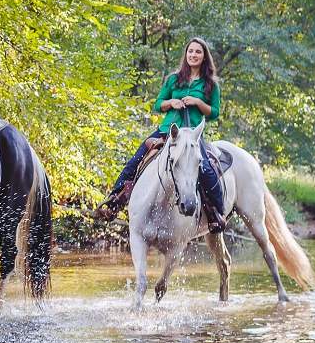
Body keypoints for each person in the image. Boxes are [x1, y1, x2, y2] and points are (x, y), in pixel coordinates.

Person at [96, 37, 226, 233]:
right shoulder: (174, 79)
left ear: (204, 56)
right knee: (135, 160)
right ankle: (114, 202)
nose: (194, 55)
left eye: (198, 52)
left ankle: (216, 214)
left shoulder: (211, 85)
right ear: (186, 54)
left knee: (207, 170)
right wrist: (171, 103)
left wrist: (198, 103)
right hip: (168, 131)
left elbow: (214, 112)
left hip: (191, 136)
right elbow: (159, 104)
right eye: (191, 51)